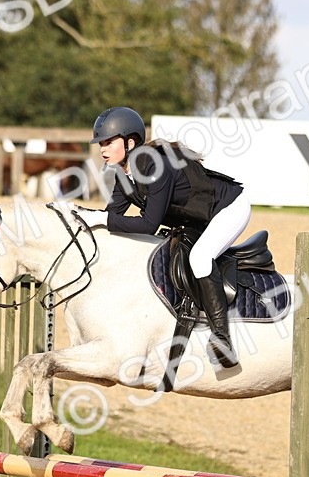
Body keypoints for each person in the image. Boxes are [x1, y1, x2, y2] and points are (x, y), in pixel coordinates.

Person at [74, 106, 250, 370]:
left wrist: (99, 219)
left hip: (228, 209)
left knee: (200, 257)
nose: (102, 148)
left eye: (109, 142)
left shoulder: (154, 165)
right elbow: (112, 217)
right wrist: (84, 222)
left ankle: (222, 339)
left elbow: (148, 224)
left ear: (130, 142)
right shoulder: (124, 174)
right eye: (101, 143)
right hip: (197, 217)